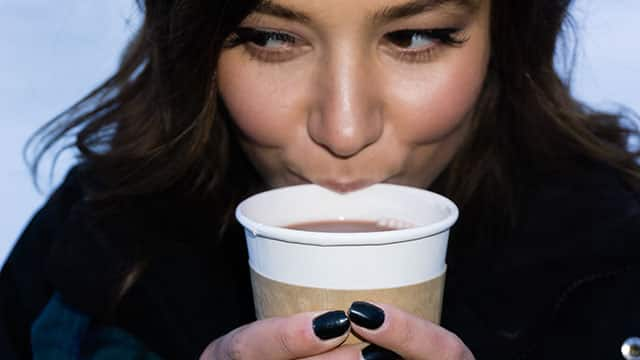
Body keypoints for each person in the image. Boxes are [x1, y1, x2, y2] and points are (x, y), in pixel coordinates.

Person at [2, 0, 639, 359]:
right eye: (273, 37)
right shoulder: (91, 246)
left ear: (509, 35)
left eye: (414, 36)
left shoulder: (619, 268)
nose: (343, 128)